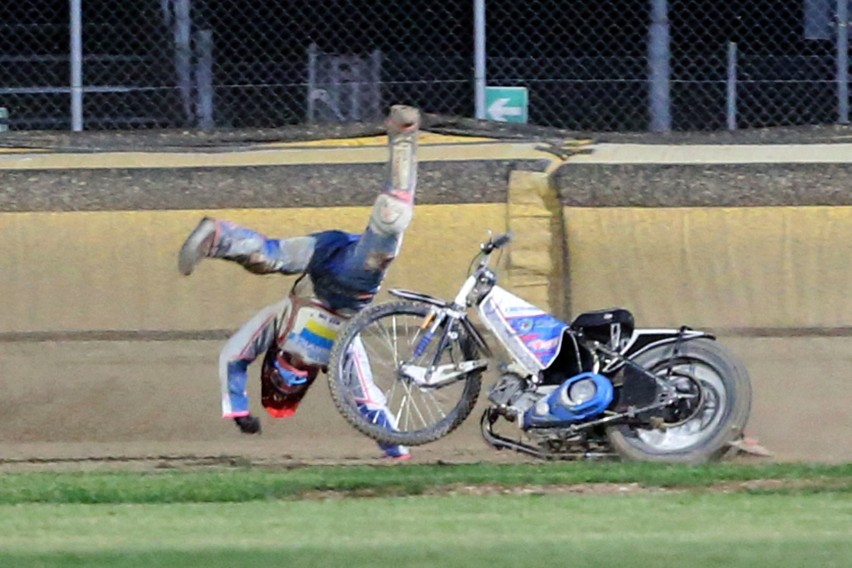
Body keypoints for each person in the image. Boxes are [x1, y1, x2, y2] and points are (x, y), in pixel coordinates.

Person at [177, 105, 421, 460]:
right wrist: (396, 449)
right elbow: (366, 401)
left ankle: (218, 237)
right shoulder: (339, 356)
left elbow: (234, 355)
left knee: (268, 257)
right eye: (295, 375)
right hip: (352, 282)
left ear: (272, 363)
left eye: (283, 369)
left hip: (323, 259)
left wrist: (238, 407)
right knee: (390, 223)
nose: (292, 368)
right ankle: (404, 137)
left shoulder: (279, 325)